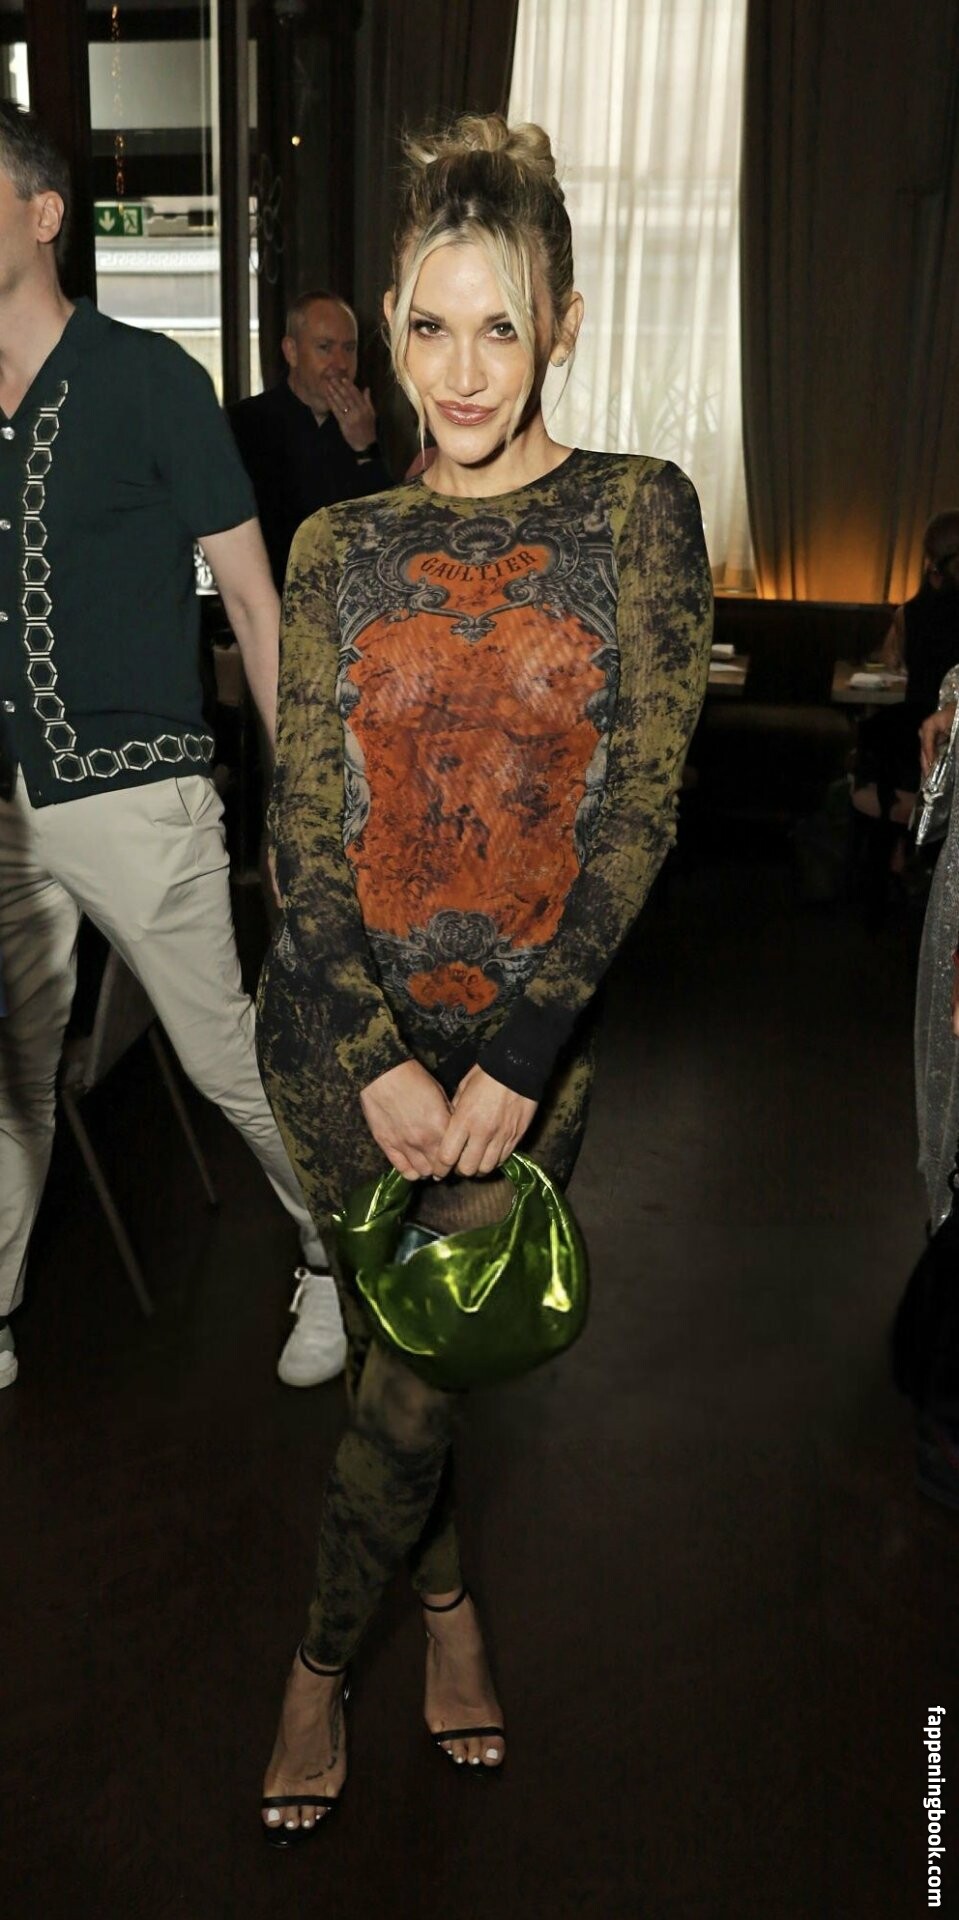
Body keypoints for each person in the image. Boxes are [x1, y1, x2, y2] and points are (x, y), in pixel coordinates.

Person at [255, 112, 712, 1840]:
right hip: (336, 1040)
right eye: (429, 326)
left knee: (412, 1377)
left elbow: (637, 818)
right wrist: (373, 1055)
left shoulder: (637, 516)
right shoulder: (334, 546)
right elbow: (301, 831)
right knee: (399, 1361)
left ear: (561, 327)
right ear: (388, 322)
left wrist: (517, 1055)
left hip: (527, 1052)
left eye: (499, 327)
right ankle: (434, 1610)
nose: (459, 372)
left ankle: (320, 1659)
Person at [0, 101, 345, 1392]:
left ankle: (332, 1252)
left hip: (138, 795)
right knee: (10, 1068)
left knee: (220, 1054)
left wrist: (297, 805)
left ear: (44, 214)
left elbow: (253, 603)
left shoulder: (150, 381)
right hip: (4, 807)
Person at [228, 290, 393, 591]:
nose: (340, 363)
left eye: (349, 348)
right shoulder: (245, 423)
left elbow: (387, 535)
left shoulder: (368, 423)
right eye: (325, 347)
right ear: (291, 352)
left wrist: (366, 448)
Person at [852, 513, 959, 842]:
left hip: (911, 743)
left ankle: (895, 852)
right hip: (942, 752)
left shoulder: (909, 614)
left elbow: (891, 662)